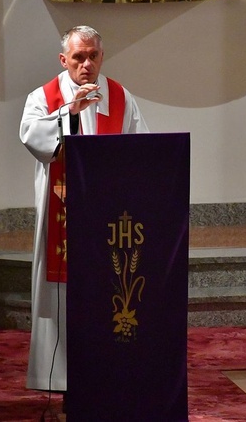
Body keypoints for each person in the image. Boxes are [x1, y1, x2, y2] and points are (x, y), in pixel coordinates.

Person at [19, 26, 149, 400]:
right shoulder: (43, 97)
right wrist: (68, 113)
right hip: (64, 214)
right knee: (62, 291)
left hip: (109, 216)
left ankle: (108, 368)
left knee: (107, 287)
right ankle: (60, 376)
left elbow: (141, 148)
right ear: (64, 60)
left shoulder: (121, 98)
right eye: (78, 57)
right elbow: (31, 136)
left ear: (102, 57)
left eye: (93, 56)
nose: (87, 64)